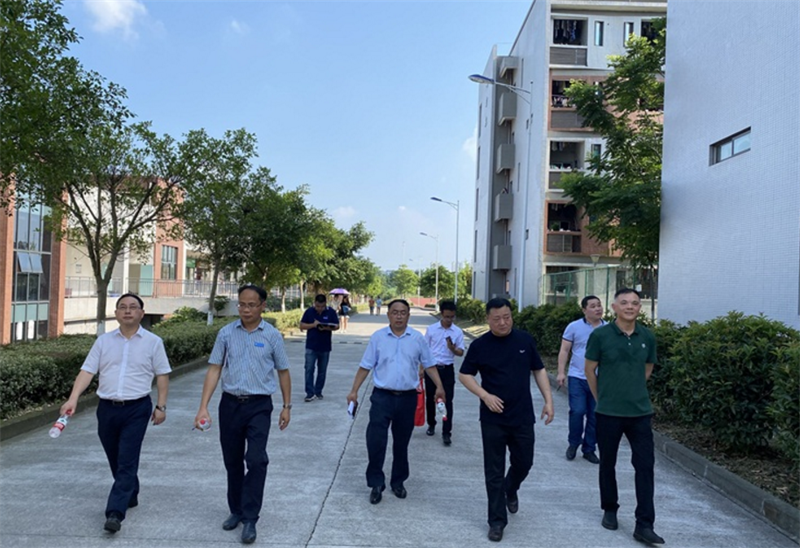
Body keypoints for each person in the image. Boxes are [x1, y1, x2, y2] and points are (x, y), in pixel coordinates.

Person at [59, 293, 170, 535]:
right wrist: (73, 398)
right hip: (107, 408)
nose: (128, 311)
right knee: (115, 457)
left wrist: (161, 406)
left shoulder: (153, 342)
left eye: (133, 307)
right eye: (122, 307)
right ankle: (131, 492)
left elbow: (162, 374)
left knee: (127, 457)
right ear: (116, 313)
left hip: (137, 408)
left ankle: (115, 513)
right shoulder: (103, 341)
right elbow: (87, 371)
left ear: (141, 313)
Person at [194, 284, 292, 545]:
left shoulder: (272, 335)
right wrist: (203, 406)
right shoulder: (226, 333)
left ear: (262, 306)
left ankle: (250, 518)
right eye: (241, 304)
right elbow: (215, 369)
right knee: (233, 461)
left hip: (259, 406)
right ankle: (236, 510)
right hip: (230, 405)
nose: (245, 309)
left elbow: (283, 371)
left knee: (257, 460)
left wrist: (286, 406)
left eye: (251, 305)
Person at [459, 298, 554, 542]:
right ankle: (496, 522)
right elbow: (465, 375)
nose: (503, 322)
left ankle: (510, 488)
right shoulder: (480, 345)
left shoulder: (524, 340)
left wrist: (548, 400)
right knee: (494, 471)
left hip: (522, 415)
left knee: (524, 462)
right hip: (493, 418)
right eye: (497, 319)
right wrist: (484, 395)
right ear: (488, 319)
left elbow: (538, 369)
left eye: (507, 317)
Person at [584, 288, 664, 545]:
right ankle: (610, 508)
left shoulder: (647, 336)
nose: (630, 306)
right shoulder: (600, 336)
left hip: (640, 413)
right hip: (608, 412)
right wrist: (601, 398)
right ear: (614, 307)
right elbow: (589, 370)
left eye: (635, 303)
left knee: (645, 467)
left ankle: (645, 524)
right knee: (607, 463)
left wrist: (632, 389)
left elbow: (647, 368)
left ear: (640, 308)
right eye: (625, 302)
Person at [346, 299, 446, 505]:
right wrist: (354, 391)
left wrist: (439, 386)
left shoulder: (417, 339)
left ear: (408, 315)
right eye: (395, 312)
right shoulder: (378, 337)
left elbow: (429, 364)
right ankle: (376, 483)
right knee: (376, 441)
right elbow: (365, 366)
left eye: (403, 312)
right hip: (382, 397)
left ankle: (398, 481)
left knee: (401, 443)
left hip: (407, 398)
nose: (399, 316)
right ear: (388, 315)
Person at [557, 295, 606, 464]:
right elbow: (564, 350)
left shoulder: (609, 328)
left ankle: (589, 449)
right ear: (584, 310)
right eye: (593, 306)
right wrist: (561, 372)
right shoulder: (574, 327)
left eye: (599, 305)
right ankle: (573, 443)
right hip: (577, 377)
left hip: (600, 379)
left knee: (595, 415)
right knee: (577, 411)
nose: (598, 309)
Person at [423, 299, 465, 446]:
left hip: (447, 369)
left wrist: (452, 349)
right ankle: (431, 423)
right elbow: (424, 350)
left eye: (452, 317)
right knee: (430, 399)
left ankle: (447, 432)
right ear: (441, 314)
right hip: (431, 369)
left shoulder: (457, 332)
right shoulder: (431, 329)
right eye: (447, 316)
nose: (449, 320)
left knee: (448, 401)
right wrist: (421, 369)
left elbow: (461, 352)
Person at [299, 294, 339, 402]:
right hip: (311, 346)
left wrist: (326, 327)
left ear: (325, 304)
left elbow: (337, 326)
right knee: (309, 369)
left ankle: (318, 391)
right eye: (317, 306)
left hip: (325, 347)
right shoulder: (309, 312)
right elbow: (302, 325)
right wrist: (314, 325)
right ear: (314, 303)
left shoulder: (331, 312)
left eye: (322, 306)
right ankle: (309, 393)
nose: (319, 308)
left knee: (322, 371)